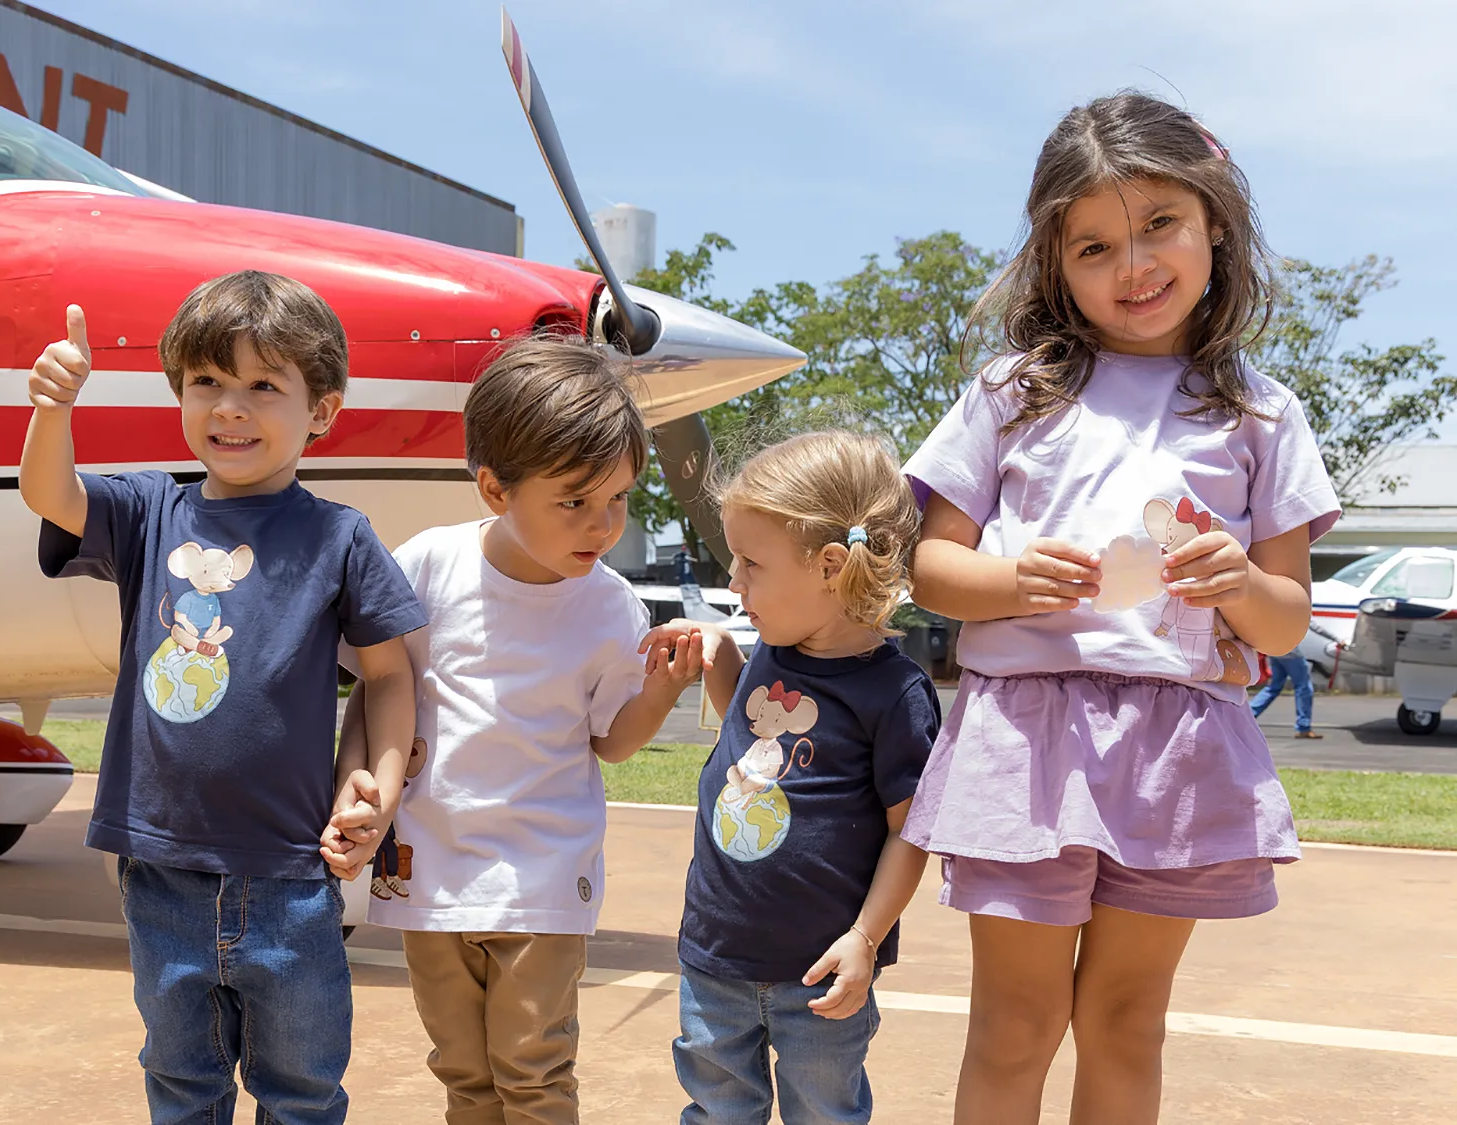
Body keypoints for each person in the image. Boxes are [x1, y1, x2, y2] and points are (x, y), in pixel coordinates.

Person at [899, 93, 1341, 1124]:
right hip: (1026, 737)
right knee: (1013, 1023)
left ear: (1215, 224)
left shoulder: (1263, 411)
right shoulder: (1015, 390)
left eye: (1159, 227)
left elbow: (1284, 623)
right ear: (1054, 260)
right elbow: (932, 573)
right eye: (1092, 245)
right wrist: (1010, 583)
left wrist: (1238, 581)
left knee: (1128, 1020)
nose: (1131, 266)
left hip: (1178, 748)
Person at [20, 271, 426, 1123]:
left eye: (263, 386)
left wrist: (380, 790)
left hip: (292, 873)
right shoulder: (147, 508)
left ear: (323, 409)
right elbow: (51, 494)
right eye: (207, 382)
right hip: (160, 870)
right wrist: (52, 407)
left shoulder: (339, 535)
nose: (229, 408)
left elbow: (390, 675)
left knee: (304, 1093)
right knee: (181, 1086)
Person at [323, 334, 704, 1125]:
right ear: (495, 487)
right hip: (424, 874)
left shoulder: (608, 606)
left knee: (531, 1072)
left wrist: (662, 692)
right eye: (574, 500)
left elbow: (612, 740)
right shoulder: (427, 565)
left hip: (540, 876)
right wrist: (352, 780)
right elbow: (373, 684)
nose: (602, 525)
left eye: (619, 499)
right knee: (463, 1072)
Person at [640, 432, 941, 1125]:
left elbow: (910, 833)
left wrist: (865, 938)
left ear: (831, 565)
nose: (735, 582)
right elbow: (752, 735)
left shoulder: (893, 694)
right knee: (717, 1111)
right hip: (717, 956)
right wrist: (718, 654)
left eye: (750, 564)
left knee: (824, 1114)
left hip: (822, 975)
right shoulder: (771, 652)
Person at [1252, 652, 1322, 738]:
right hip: (1291, 652)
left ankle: (1249, 714)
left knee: (1273, 687)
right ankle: (1303, 726)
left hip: (1275, 652)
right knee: (1303, 687)